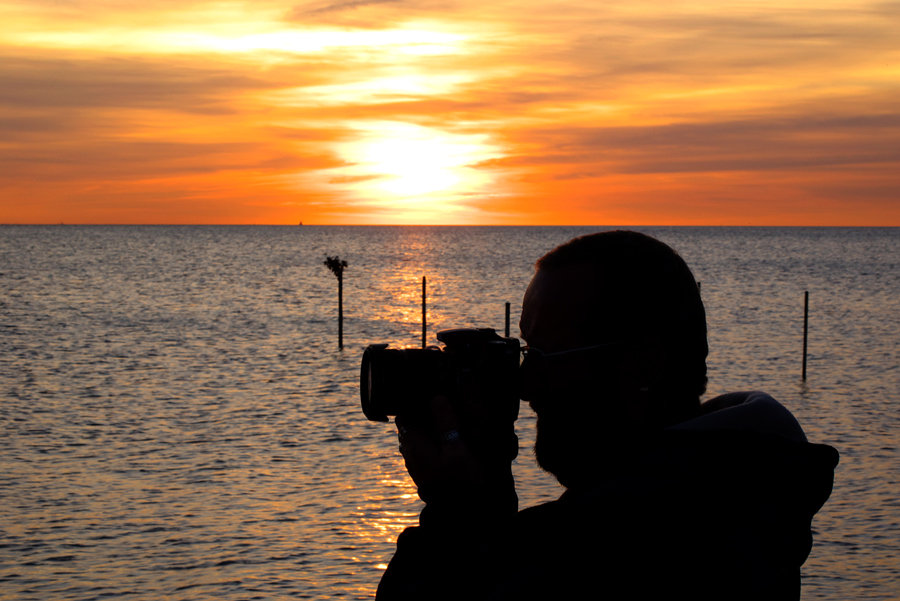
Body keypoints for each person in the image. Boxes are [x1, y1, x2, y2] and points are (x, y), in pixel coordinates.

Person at [376, 230, 839, 600]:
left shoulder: (628, 539)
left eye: (544, 355)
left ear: (643, 367)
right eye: (522, 353)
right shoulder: (740, 491)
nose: (526, 384)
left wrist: (457, 510)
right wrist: (489, 486)